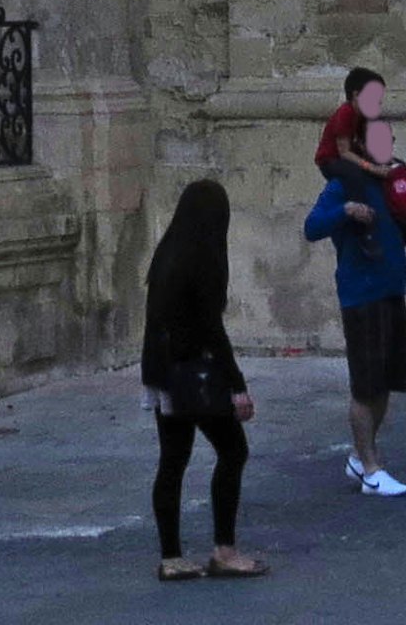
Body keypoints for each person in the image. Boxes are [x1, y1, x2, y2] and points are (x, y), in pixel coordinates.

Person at [139, 180, 266, 580]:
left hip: (163, 373)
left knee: (173, 461)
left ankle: (172, 557)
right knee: (233, 451)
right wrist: (237, 385)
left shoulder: (168, 254)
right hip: (194, 373)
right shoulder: (204, 259)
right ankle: (224, 550)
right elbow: (212, 328)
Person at [302, 116, 406, 497]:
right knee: (366, 386)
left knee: (386, 381)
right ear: (362, 147)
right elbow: (313, 226)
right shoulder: (343, 184)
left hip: (390, 290)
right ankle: (370, 469)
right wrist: (346, 210)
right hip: (361, 295)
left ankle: (359, 455)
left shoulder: (391, 180)